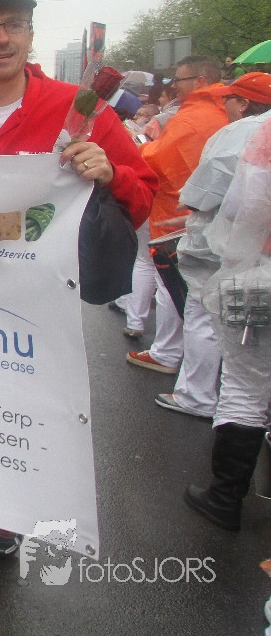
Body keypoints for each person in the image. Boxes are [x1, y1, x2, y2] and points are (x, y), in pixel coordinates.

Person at [0, 0, 157, 636]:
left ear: (28, 36)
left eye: (14, 25)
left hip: (37, 323)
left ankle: (9, 514)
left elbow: (143, 197)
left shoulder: (76, 109)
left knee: (17, 438)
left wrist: (109, 172)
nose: (2, 38)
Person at [154, 72, 271, 419]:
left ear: (244, 103)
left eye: (229, 99)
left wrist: (191, 213)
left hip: (232, 252)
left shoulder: (242, 133)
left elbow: (211, 197)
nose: (224, 106)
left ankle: (197, 395)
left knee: (208, 317)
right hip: (255, 256)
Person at [182, 114, 271, 532]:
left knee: (243, 385)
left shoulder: (264, 133)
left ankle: (225, 498)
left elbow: (238, 208)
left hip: (258, 274)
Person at [127, 56, 228, 381]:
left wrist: (137, 148)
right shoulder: (219, 113)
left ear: (199, 81)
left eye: (179, 81)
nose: (174, 88)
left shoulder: (193, 117)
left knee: (175, 289)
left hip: (177, 213)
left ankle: (169, 355)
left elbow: (161, 160)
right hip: (209, 216)